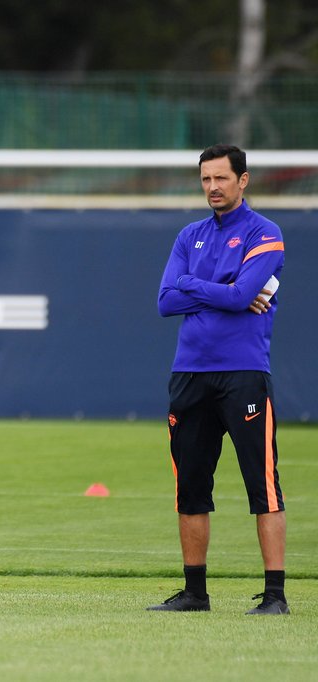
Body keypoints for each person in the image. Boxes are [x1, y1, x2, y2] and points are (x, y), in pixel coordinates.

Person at [152, 144, 288, 615]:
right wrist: (222, 291)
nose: (212, 187)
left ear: (243, 181)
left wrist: (195, 286)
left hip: (244, 374)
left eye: (221, 179)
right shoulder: (189, 235)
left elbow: (243, 297)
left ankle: (275, 596)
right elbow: (165, 301)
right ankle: (195, 593)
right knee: (190, 487)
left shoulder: (266, 233)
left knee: (262, 485)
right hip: (189, 375)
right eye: (206, 179)